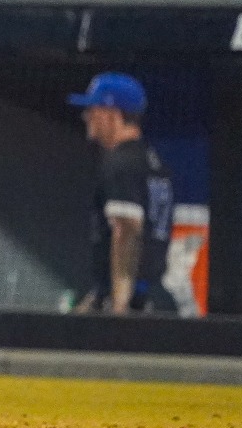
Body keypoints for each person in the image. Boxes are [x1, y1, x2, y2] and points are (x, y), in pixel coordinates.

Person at [68, 73, 178, 315]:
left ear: (112, 115)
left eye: (93, 110)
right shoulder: (153, 161)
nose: (86, 117)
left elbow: (127, 228)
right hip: (155, 295)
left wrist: (119, 304)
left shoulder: (121, 163)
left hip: (133, 303)